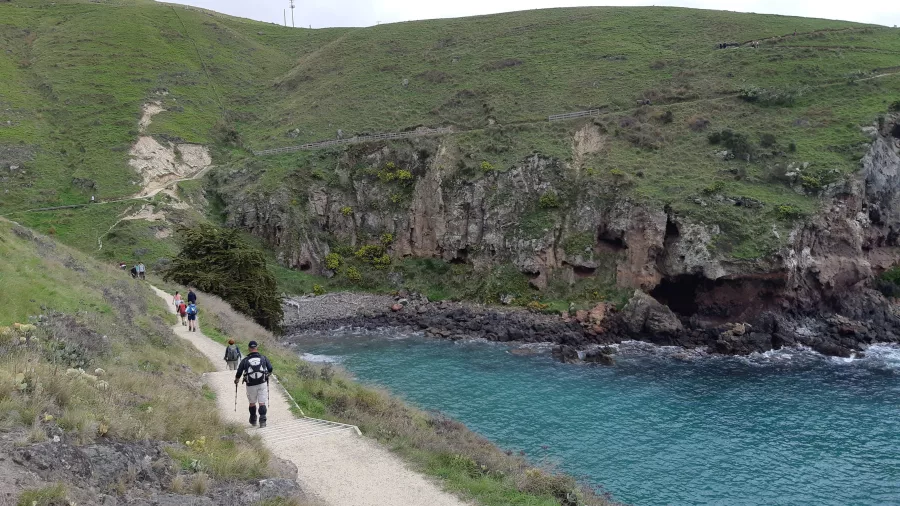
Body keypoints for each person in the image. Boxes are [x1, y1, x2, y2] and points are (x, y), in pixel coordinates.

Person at [234, 341, 273, 428]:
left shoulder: (245, 360)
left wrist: (236, 380)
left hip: (250, 385)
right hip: (262, 383)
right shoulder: (263, 358)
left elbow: (239, 372)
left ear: (249, 348)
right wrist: (267, 375)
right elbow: (270, 368)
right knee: (262, 402)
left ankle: (253, 420)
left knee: (252, 403)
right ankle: (262, 421)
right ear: (256, 348)